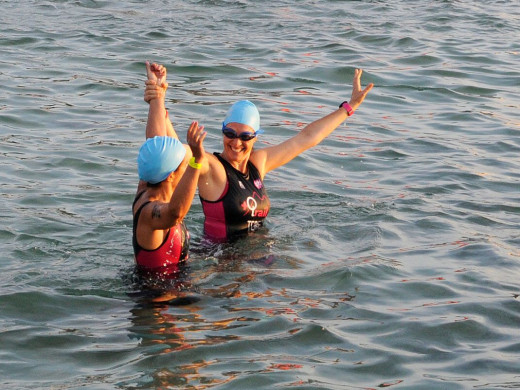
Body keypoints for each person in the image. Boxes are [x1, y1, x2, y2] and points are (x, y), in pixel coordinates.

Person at [145, 66, 373, 241]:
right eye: (229, 133)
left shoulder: (258, 162)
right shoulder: (212, 167)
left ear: (255, 137)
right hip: (223, 265)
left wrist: (349, 107)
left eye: (245, 137)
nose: (236, 142)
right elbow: (163, 152)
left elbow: (305, 139)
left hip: (258, 258)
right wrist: (157, 99)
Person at [133, 62, 207, 276]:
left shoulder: (148, 182)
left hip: (172, 282)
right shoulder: (150, 212)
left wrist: (158, 94)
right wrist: (196, 162)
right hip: (154, 298)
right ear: (172, 174)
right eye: (183, 163)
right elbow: (175, 213)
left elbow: (155, 141)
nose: (186, 162)